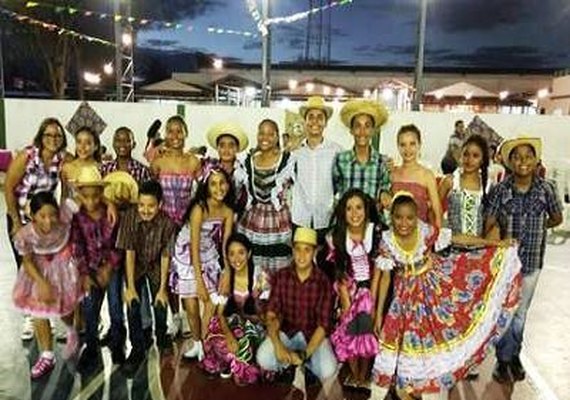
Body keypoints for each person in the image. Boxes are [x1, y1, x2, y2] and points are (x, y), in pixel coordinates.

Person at [369, 192, 522, 399]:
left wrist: (494, 244)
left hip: (433, 291)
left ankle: (431, 385)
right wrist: (378, 315)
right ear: (391, 217)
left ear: (417, 218)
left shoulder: (425, 231)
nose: (404, 222)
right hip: (404, 299)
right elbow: (386, 278)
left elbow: (458, 239)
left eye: (409, 217)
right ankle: (406, 388)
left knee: (434, 336)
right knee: (406, 344)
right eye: (398, 217)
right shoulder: (387, 240)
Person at [485, 137, 563, 384]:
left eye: (528, 157)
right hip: (506, 266)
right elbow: (489, 222)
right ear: (509, 162)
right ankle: (503, 359)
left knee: (521, 314)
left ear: (535, 160)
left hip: (532, 262)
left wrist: (538, 228)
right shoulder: (500, 190)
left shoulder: (546, 189)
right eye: (517, 157)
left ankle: (512, 357)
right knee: (505, 313)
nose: (523, 162)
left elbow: (557, 218)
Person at [4, 118, 69, 339]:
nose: (53, 139)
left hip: (45, 225)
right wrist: (15, 221)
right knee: (27, 269)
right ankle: (30, 318)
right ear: (41, 137)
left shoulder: (61, 160)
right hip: (22, 220)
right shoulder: (27, 156)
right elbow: (9, 187)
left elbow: (69, 184)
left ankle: (48, 315)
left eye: (58, 135)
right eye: (49, 135)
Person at [256, 227, 338, 391]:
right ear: (292, 250)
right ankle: (292, 363)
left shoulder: (323, 282)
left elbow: (323, 326)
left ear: (315, 252)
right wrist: (278, 346)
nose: (301, 255)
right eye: (298, 249)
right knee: (263, 358)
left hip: (312, 336)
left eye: (307, 250)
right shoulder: (281, 276)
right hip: (287, 332)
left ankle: (299, 364)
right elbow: (271, 314)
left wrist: (304, 354)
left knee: (329, 370)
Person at [12, 192, 84, 379]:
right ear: (33, 216)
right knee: (38, 311)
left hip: (62, 269)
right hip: (38, 271)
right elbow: (27, 261)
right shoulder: (26, 234)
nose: (49, 220)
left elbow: (83, 197)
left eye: (52, 215)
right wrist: (41, 282)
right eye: (42, 216)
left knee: (66, 309)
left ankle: (71, 331)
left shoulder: (64, 218)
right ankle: (47, 355)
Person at [321, 189, 383, 388]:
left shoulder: (377, 233)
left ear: (366, 210)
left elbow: (380, 272)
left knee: (364, 334)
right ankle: (354, 375)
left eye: (359, 208)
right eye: (349, 209)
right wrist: (345, 297)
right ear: (342, 212)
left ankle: (364, 376)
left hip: (370, 290)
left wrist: (371, 299)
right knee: (348, 333)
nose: (354, 213)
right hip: (347, 290)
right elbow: (338, 271)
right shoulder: (337, 236)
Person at [170, 167, 234, 361]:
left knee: (212, 300)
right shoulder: (199, 208)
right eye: (213, 184)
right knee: (191, 306)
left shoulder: (228, 211)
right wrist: (198, 280)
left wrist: (227, 272)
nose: (218, 188)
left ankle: (205, 344)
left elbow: (226, 245)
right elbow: (193, 246)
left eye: (222, 183)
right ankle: (197, 343)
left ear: (228, 185)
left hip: (208, 250)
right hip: (187, 251)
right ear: (206, 187)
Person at [116, 180, 178, 375]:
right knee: (133, 304)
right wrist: (131, 286)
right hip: (135, 265)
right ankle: (137, 348)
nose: (145, 210)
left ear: (160, 205)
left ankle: (161, 336)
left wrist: (161, 289)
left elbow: (166, 255)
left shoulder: (167, 223)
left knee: (160, 303)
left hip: (156, 265)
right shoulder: (129, 218)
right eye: (141, 205)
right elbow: (129, 252)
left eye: (151, 206)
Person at [70, 166, 122, 370]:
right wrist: (85, 274)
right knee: (89, 308)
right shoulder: (77, 216)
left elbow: (119, 243)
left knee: (116, 306)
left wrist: (109, 266)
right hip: (89, 269)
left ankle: (117, 344)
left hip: (112, 267)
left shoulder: (111, 213)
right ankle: (91, 348)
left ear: (102, 194)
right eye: (85, 197)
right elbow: (77, 245)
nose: (90, 201)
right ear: (79, 195)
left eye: (95, 196)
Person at [200, 233, 266, 385]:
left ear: (249, 253)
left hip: (255, 325)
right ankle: (232, 361)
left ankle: (239, 364)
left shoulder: (259, 276)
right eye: (232, 254)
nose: (236, 259)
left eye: (241, 252)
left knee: (247, 345)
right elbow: (221, 313)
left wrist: (255, 300)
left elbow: (264, 316)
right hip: (233, 324)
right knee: (218, 340)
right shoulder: (226, 276)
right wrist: (229, 336)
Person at [238, 119, 294, 278]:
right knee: (256, 270)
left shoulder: (287, 160)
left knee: (280, 269)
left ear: (277, 137)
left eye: (270, 134)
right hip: (254, 220)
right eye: (262, 132)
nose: (265, 137)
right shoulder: (249, 161)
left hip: (278, 220)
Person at [291, 96, 342, 244]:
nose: (315, 121)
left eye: (320, 117)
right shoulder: (295, 152)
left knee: (324, 263)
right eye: (311, 117)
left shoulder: (336, 151)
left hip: (326, 218)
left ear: (325, 122)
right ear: (305, 121)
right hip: (300, 217)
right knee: (301, 263)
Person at [333, 99, 391, 220]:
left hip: (373, 224)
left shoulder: (382, 162)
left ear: (373, 130)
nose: (362, 131)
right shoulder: (340, 160)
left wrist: (384, 195)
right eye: (357, 126)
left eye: (367, 126)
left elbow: (385, 191)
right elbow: (332, 190)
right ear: (351, 130)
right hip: (347, 224)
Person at [151, 115, 201, 227]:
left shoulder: (194, 161)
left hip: (188, 222)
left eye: (179, 131)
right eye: (170, 132)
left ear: (186, 134)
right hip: (162, 223)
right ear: (165, 135)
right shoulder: (158, 162)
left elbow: (203, 192)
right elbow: (151, 194)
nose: (175, 136)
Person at [392, 124, 443, 227]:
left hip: (420, 236)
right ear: (398, 146)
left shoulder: (427, 175)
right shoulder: (392, 173)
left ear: (419, 145)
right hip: (395, 235)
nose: (407, 149)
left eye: (412, 144)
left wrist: (438, 237)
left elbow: (437, 211)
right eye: (403, 145)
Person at [205, 121, 250, 217]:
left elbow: (245, 199)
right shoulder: (209, 170)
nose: (226, 150)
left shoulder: (244, 171)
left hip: (236, 219)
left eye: (231, 145)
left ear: (237, 148)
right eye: (222, 145)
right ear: (217, 148)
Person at [61, 126, 102, 200]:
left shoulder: (101, 168)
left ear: (95, 146)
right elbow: (63, 196)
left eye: (88, 143)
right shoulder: (67, 168)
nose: (82, 147)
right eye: (79, 142)